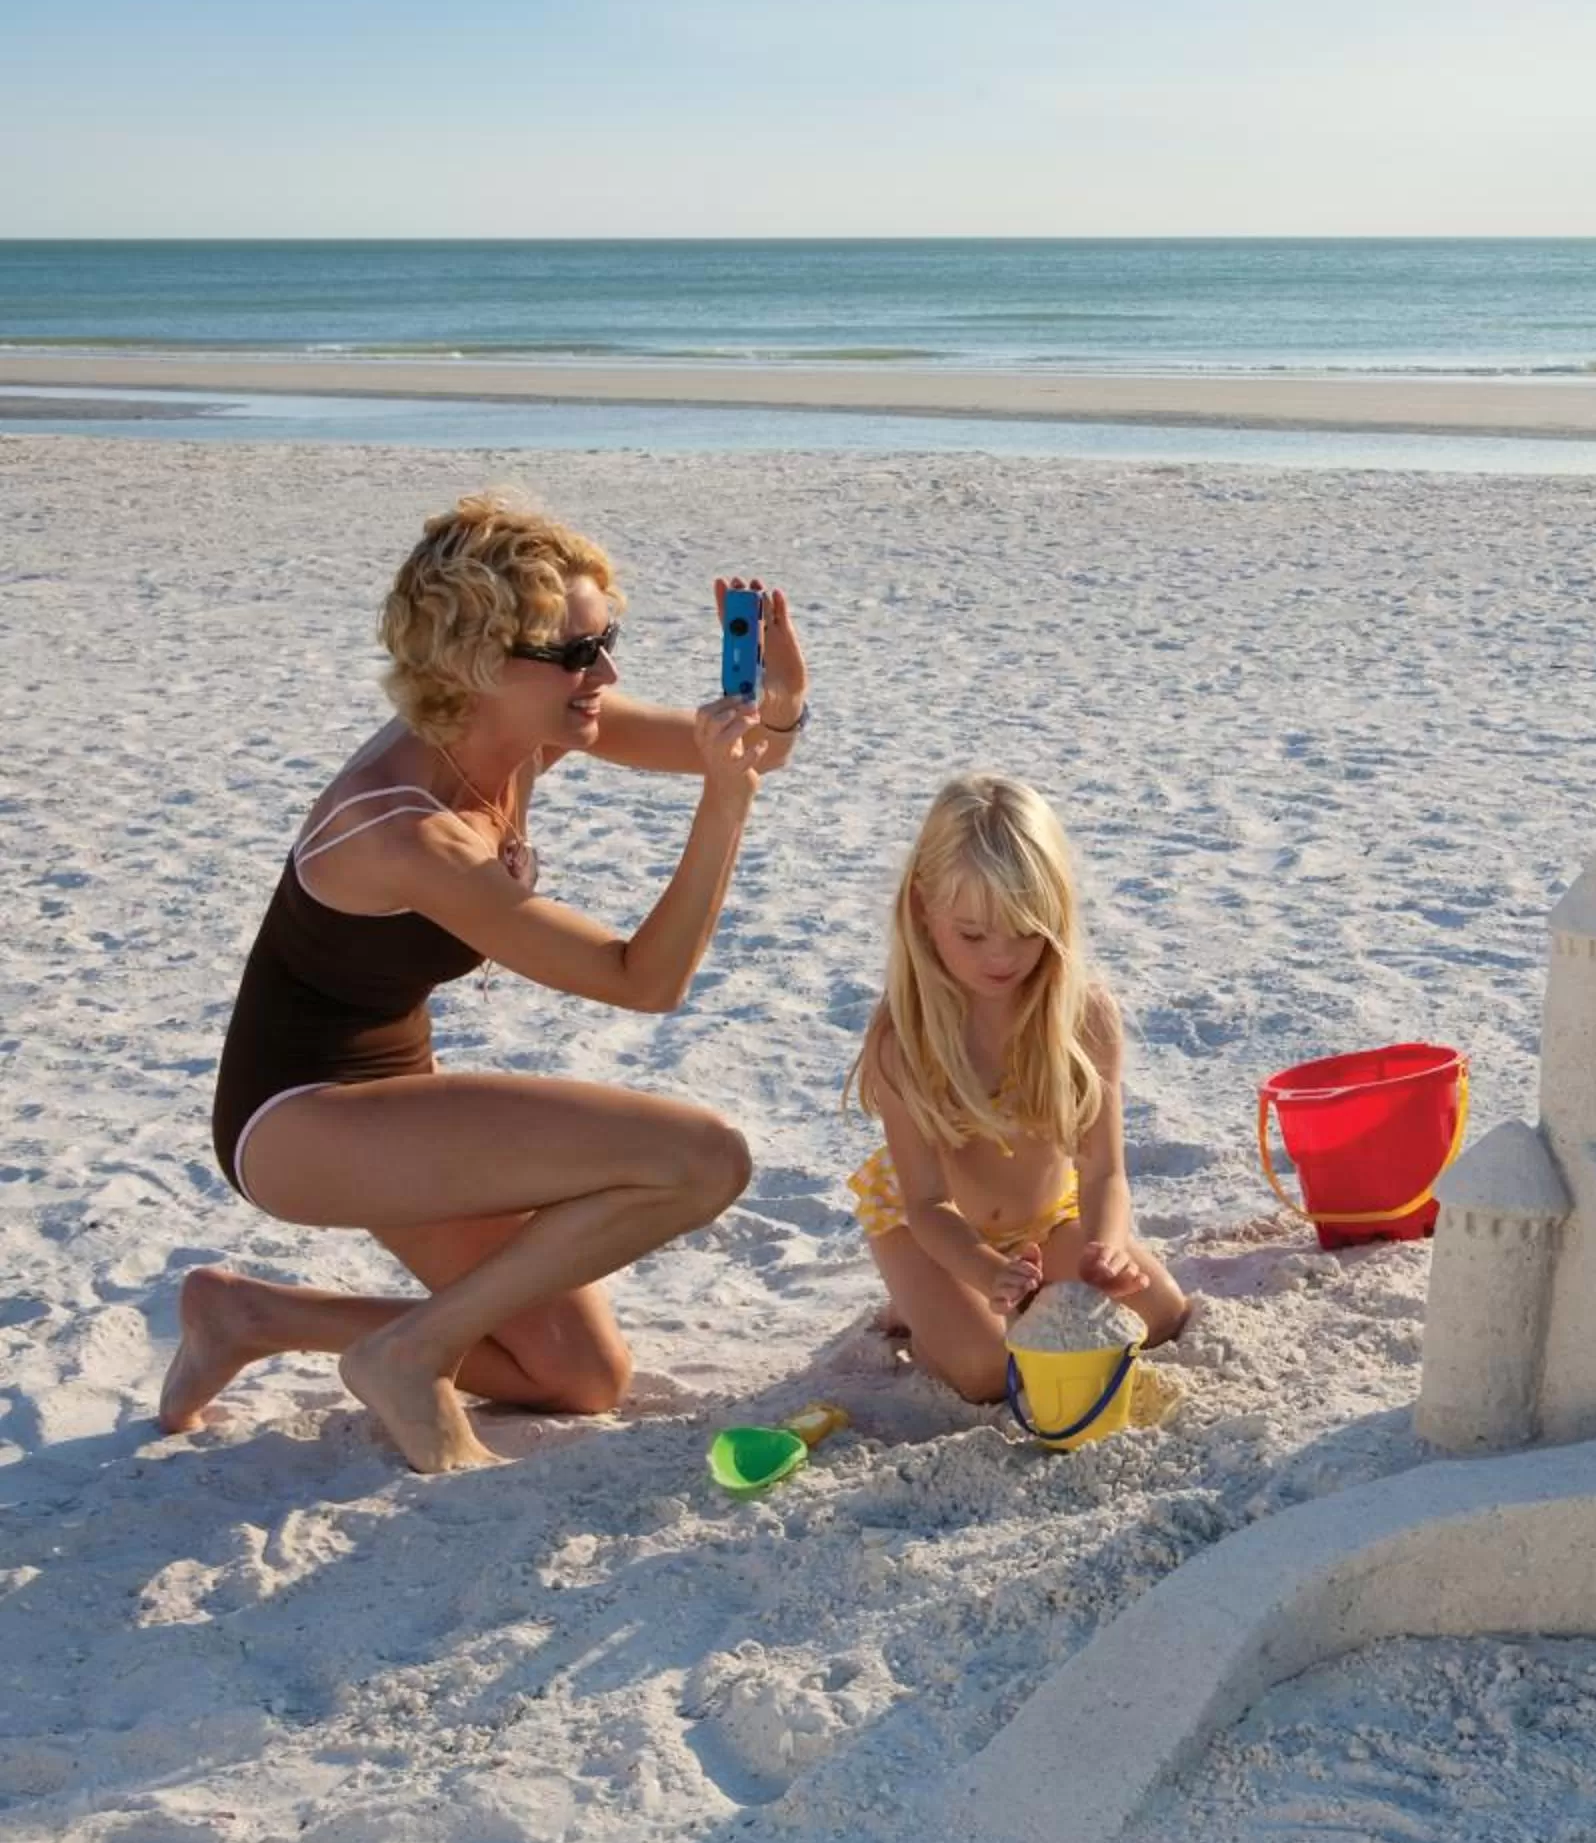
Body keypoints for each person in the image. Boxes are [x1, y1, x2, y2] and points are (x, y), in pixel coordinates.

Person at [167, 494, 809, 1472]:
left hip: (392, 1089)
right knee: (702, 1158)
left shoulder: (529, 728)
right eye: (576, 653)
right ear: (473, 660)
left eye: (607, 640)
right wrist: (724, 809)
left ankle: (247, 1313)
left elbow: (737, 747)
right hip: (298, 1123)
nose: (606, 673)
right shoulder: (409, 833)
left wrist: (780, 705)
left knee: (579, 1376)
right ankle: (407, 1354)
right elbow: (646, 981)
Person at [844, 775, 1189, 1401]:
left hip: (1047, 1215)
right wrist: (983, 1271)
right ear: (924, 908)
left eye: (1027, 930)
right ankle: (917, 1311)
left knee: (1156, 1319)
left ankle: (981, 1304)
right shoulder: (907, 1037)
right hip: (933, 1231)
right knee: (984, 1375)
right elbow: (925, 1204)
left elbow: (1105, 1172)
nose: (1001, 957)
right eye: (973, 934)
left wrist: (1106, 1249)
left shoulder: (1083, 1017)